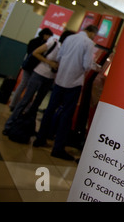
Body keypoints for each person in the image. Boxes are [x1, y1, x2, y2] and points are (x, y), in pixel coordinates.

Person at [33, 25, 99, 160]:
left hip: (59, 80)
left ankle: (40, 139)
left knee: (50, 110)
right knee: (66, 115)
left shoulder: (69, 38)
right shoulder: (89, 43)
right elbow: (87, 65)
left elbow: (59, 56)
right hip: (73, 84)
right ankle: (58, 148)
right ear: (92, 33)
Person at [3, 30, 75, 141]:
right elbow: (36, 52)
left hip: (50, 78)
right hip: (38, 74)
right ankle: (9, 125)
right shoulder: (53, 43)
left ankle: (26, 127)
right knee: (25, 100)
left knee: (37, 104)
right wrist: (49, 62)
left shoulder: (67, 50)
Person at [9, 28, 53, 111]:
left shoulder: (33, 41)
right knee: (31, 88)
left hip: (27, 66)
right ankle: (25, 108)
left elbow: (29, 53)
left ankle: (13, 104)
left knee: (22, 85)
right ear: (45, 35)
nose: (49, 38)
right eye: (49, 36)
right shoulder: (44, 45)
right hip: (34, 68)